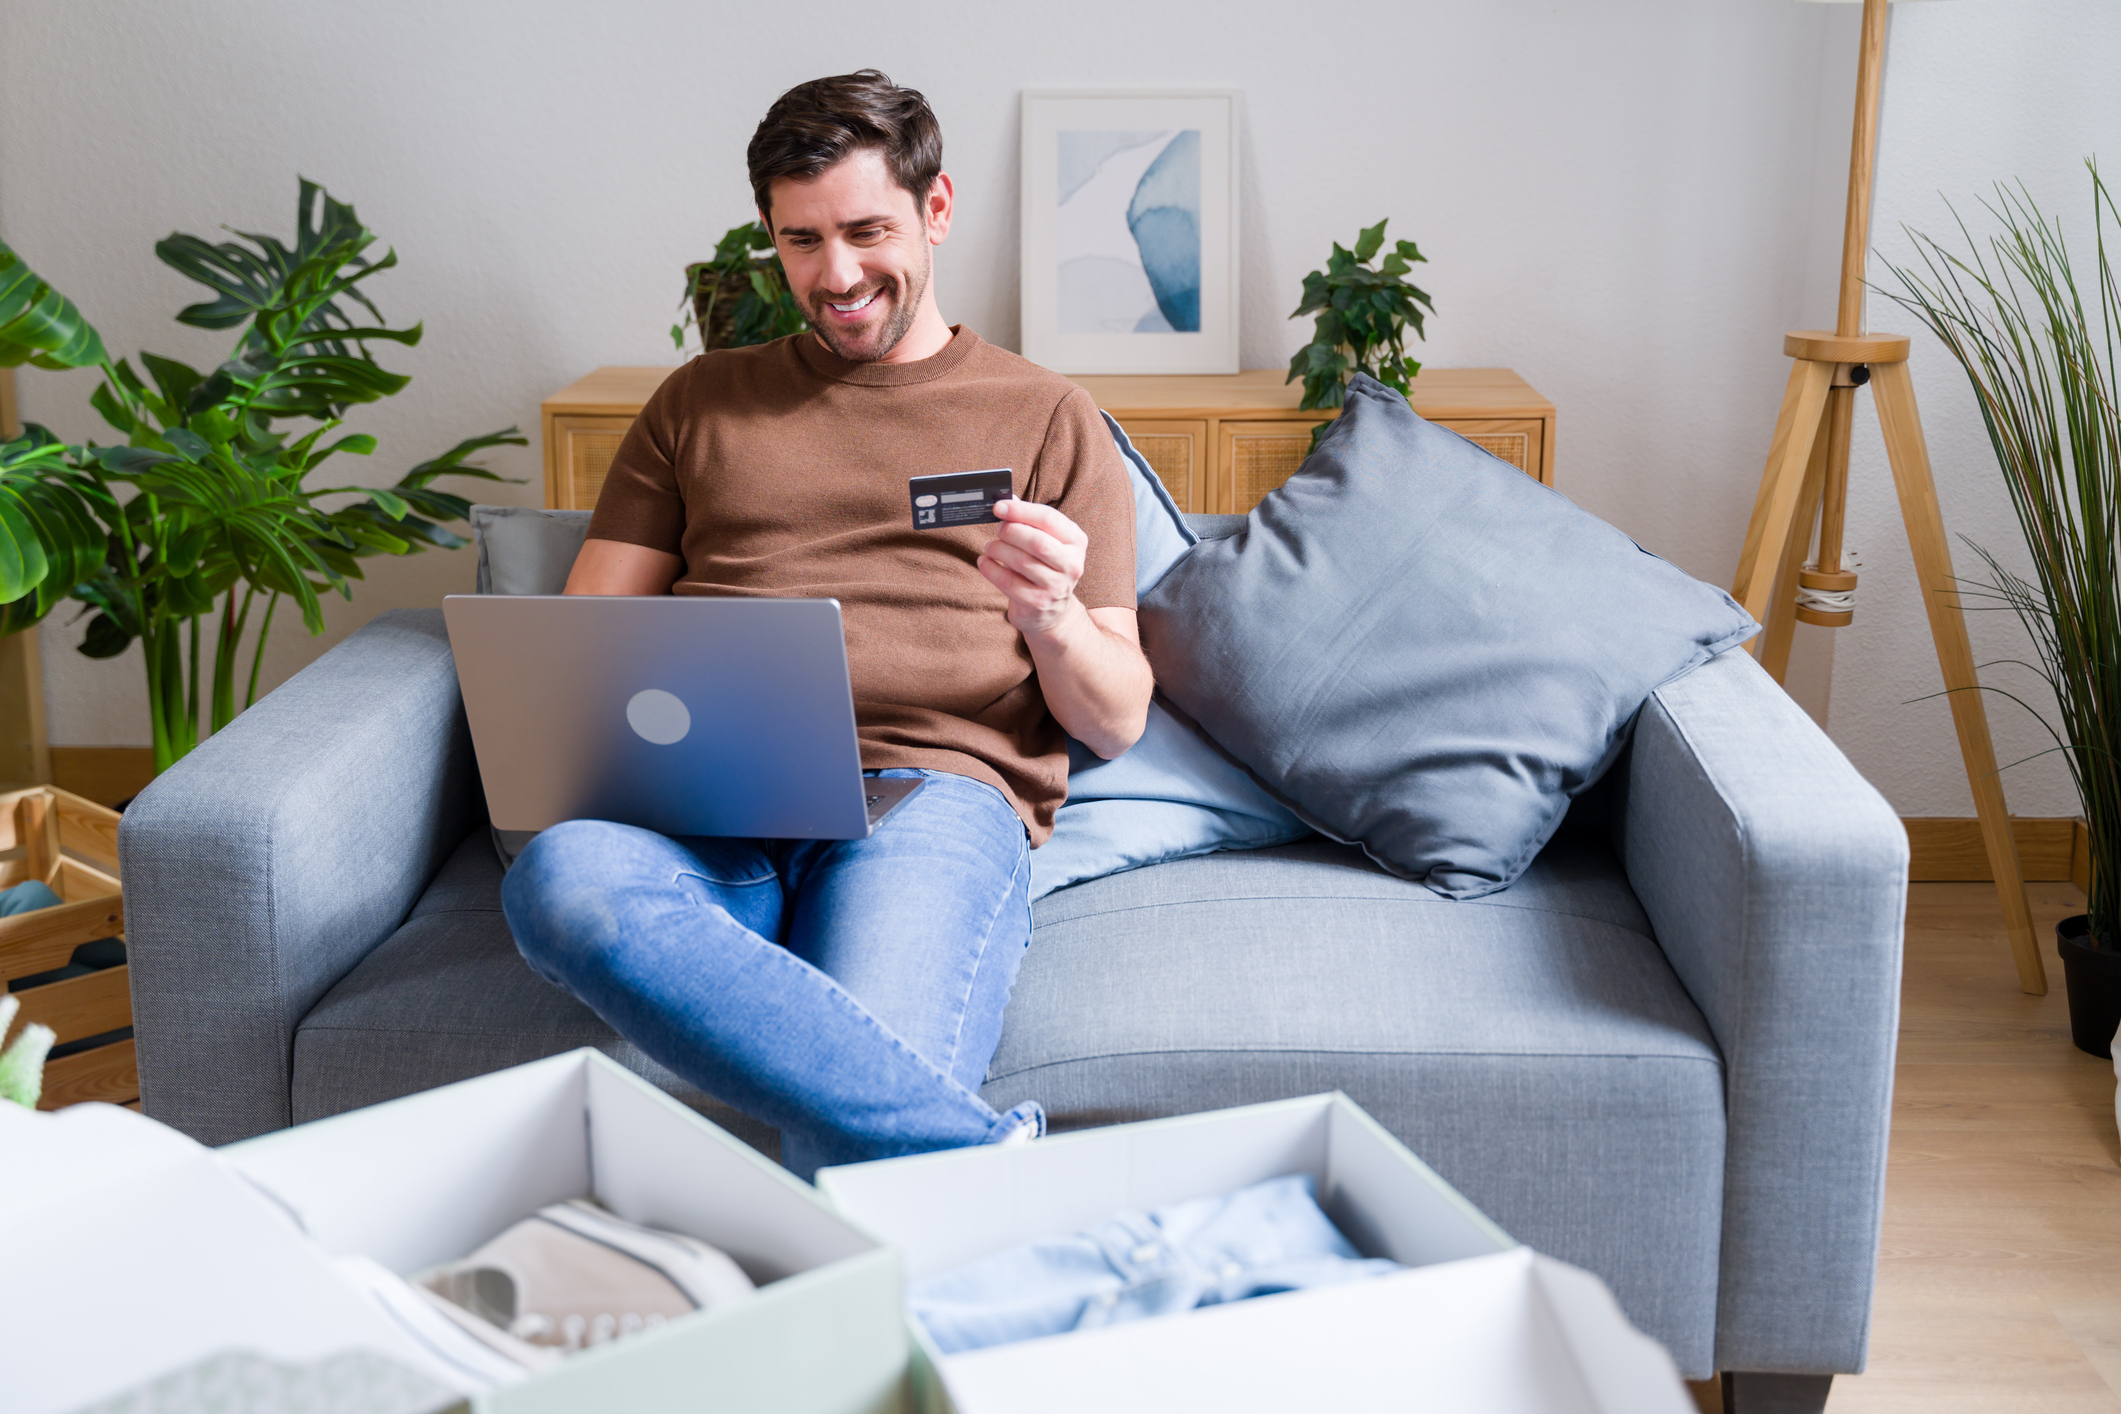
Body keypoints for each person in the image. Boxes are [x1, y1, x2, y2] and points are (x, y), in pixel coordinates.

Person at [499, 71, 1152, 1180]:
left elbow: (1119, 714)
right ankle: (996, 1167)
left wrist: (1048, 615)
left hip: (930, 797)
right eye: (802, 241)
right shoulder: (698, 403)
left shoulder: (1048, 415)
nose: (836, 276)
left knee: (856, 1099)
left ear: (936, 210)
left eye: (866, 231)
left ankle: (929, 1206)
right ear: (771, 233)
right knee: (561, 879)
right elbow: (584, 649)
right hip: (708, 801)